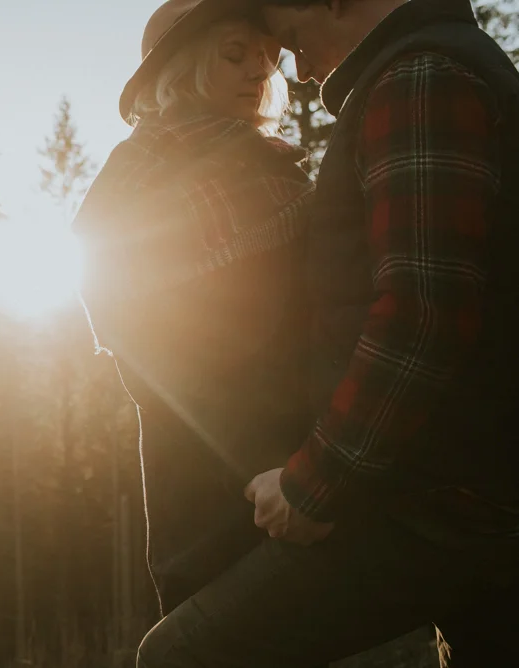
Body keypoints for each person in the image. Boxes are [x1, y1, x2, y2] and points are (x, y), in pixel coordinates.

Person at [135, 0, 519, 666]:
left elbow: (424, 313)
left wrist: (315, 483)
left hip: (447, 498)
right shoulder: (423, 71)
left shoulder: (419, 78)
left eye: (287, 41)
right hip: (458, 481)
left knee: (179, 656)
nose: (299, 71)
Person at [71, 0, 315, 619]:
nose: (257, 71)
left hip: (301, 454)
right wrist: (246, 453)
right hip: (201, 460)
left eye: (265, 58)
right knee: (202, 630)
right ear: (178, 72)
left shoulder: (277, 169)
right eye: (234, 55)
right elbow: (136, 334)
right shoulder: (139, 170)